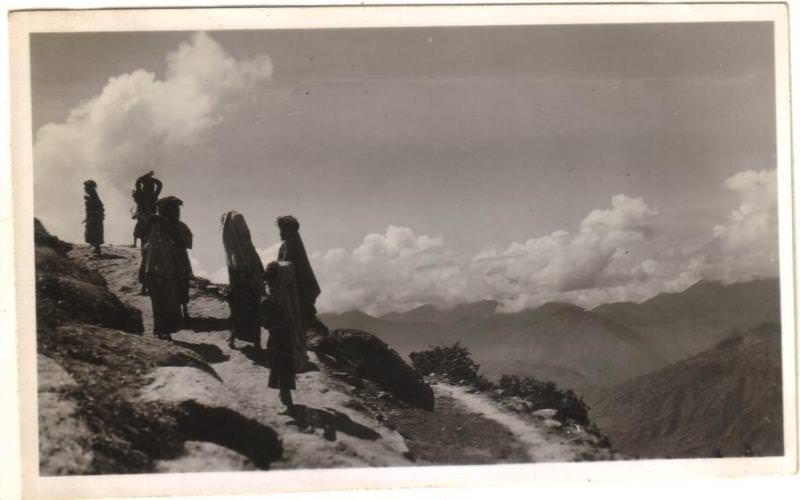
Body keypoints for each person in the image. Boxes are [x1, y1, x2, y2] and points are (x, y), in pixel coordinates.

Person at [262, 260, 306, 410]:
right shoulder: (283, 295)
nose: (268, 283)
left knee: (283, 366)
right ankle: (284, 395)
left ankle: (286, 397)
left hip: (283, 338)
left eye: (271, 279)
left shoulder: (282, 297)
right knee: (281, 366)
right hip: (280, 337)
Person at [275, 216, 328, 341]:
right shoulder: (289, 245)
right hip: (299, 289)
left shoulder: (290, 245)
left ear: (288, 231)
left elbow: (285, 267)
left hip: (300, 290)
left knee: (304, 318)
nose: (280, 233)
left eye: (282, 230)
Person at [222, 211, 264, 348]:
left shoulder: (233, 251)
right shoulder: (241, 250)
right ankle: (254, 341)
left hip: (243, 283)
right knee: (248, 310)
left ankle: (234, 338)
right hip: (248, 282)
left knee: (239, 310)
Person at [132, 170, 163, 247]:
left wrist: (146, 177)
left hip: (144, 215)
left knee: (140, 230)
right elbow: (160, 185)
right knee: (145, 231)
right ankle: (141, 245)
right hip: (148, 216)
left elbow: (138, 182)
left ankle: (137, 244)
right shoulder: (153, 195)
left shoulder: (142, 194)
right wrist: (151, 179)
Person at [82, 180, 104, 256]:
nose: (84, 189)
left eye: (86, 187)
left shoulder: (93, 196)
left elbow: (97, 207)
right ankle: (96, 250)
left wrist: (92, 218)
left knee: (94, 234)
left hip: (94, 218)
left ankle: (97, 251)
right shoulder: (92, 195)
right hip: (94, 218)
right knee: (92, 234)